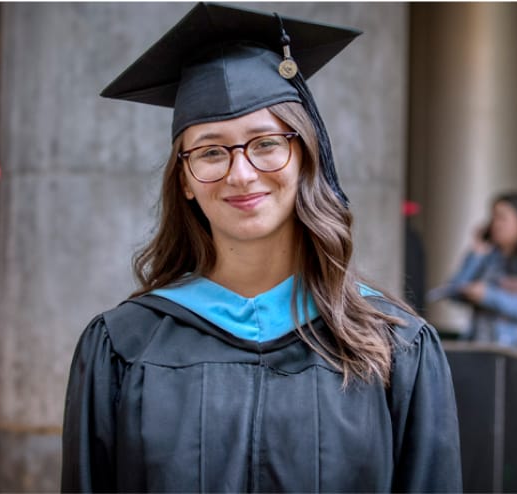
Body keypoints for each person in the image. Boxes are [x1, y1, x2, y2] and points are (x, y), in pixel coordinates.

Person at [61, 4, 462, 492]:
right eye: (210, 150)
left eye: (266, 142)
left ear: (305, 156)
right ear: (184, 180)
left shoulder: (395, 349)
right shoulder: (122, 346)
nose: (242, 173)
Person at [440, 192, 517, 358]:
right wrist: (475, 255)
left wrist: (488, 296)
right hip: (484, 351)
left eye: (502, 218)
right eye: (493, 218)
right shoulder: (488, 257)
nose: (496, 224)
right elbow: (453, 291)